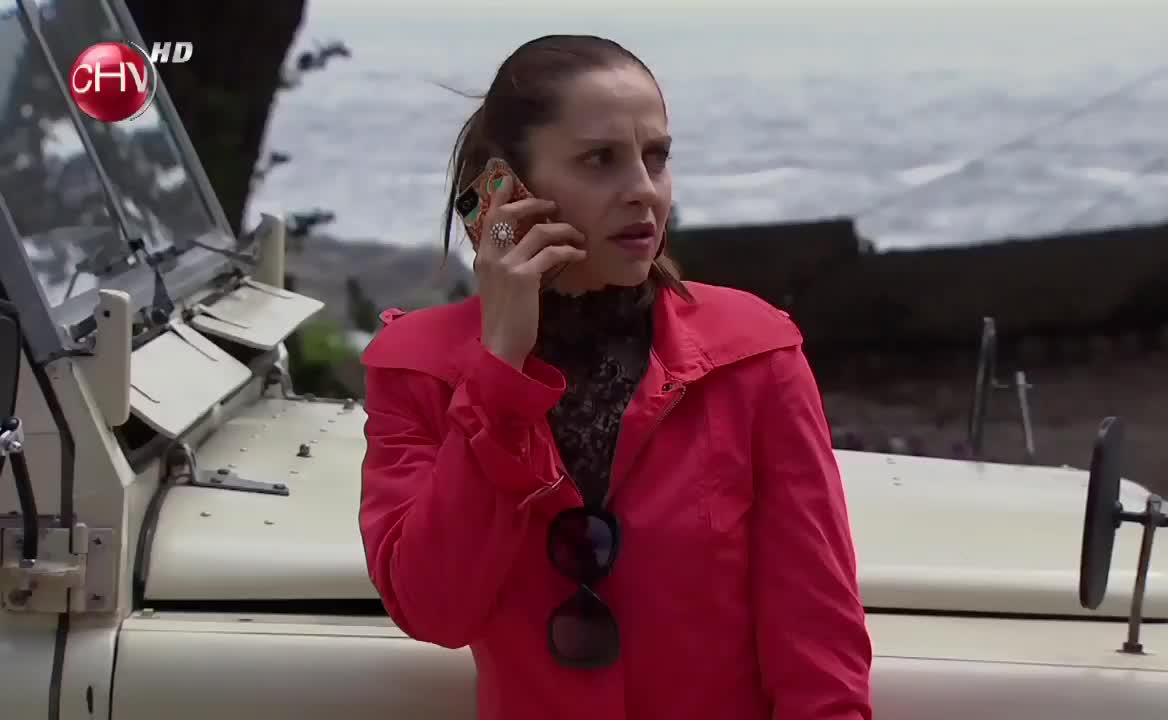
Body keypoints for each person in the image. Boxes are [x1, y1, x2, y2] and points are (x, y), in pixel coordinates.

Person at [358, 34, 874, 720]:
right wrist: (500, 365)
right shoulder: (416, 367)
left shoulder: (755, 354)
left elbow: (818, 634)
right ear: (506, 187)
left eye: (656, 157)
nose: (643, 191)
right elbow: (434, 611)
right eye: (600, 160)